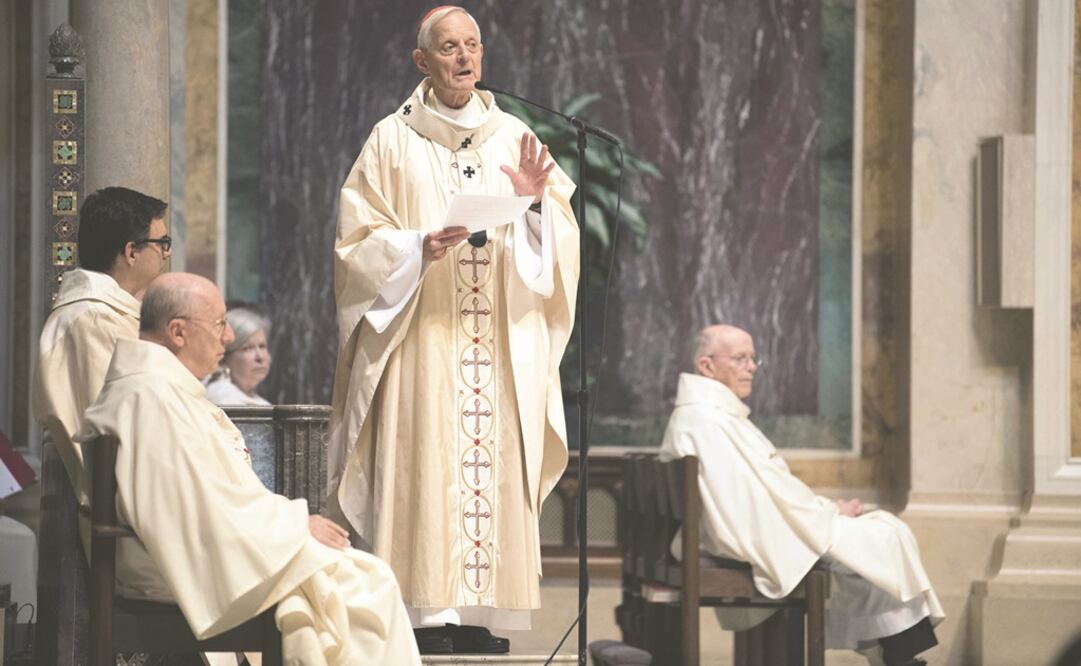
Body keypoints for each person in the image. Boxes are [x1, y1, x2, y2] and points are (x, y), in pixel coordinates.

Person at [327, 5, 579, 654]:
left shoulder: (512, 136)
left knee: (489, 464)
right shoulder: (390, 140)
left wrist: (529, 205)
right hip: (421, 338)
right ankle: (424, 607)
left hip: (494, 340)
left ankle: (478, 612)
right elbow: (355, 245)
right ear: (422, 61)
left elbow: (557, 246)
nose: (463, 57)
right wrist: (416, 247)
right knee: (425, 458)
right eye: (447, 47)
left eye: (472, 45)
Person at [76, 273, 421, 664]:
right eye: (220, 324)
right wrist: (295, 525)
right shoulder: (150, 397)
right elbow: (193, 507)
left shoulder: (158, 389)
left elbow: (203, 496)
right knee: (369, 585)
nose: (227, 338)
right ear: (177, 332)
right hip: (171, 564)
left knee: (357, 577)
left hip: (187, 548)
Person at [659, 324, 945, 666]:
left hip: (758, 529)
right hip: (747, 540)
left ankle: (891, 654)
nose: (751, 366)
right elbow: (746, 507)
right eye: (739, 358)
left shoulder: (709, 415)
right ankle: (894, 657)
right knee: (883, 534)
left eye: (753, 358)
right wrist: (824, 515)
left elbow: (759, 493)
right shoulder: (707, 421)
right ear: (707, 366)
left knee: (877, 538)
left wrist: (824, 510)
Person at [33, 186, 171, 554]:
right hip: (127, 524)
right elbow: (116, 432)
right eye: (163, 243)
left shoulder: (108, 313)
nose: (166, 254)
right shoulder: (93, 319)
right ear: (131, 251)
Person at [205, 307, 273, 406]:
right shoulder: (222, 399)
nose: (260, 357)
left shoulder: (255, 399)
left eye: (262, 346)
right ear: (225, 356)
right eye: (247, 348)